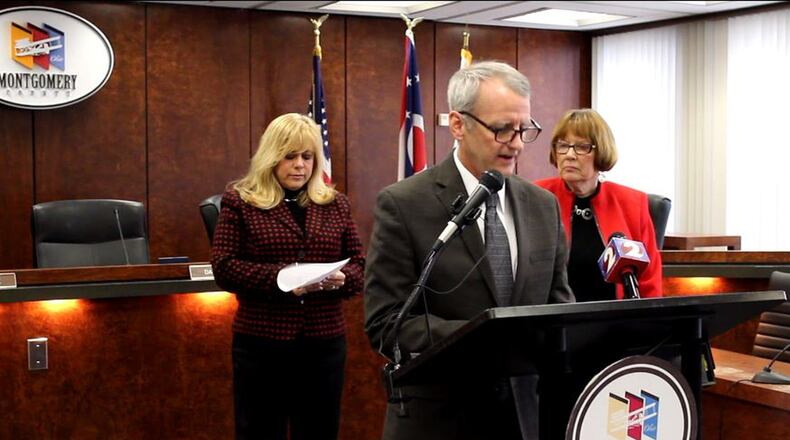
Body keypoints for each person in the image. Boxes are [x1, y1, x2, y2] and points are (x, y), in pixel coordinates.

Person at [364, 61, 574, 440]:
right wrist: (483, 337)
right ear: (458, 125)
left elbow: (559, 308)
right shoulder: (404, 203)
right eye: (501, 129)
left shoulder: (543, 205)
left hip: (527, 419)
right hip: (440, 420)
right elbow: (386, 325)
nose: (515, 142)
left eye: (524, 128)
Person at [211, 113, 365, 440]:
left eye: (307, 157)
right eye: (290, 156)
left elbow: (361, 266)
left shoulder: (335, 204)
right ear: (272, 157)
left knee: (319, 430)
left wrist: (343, 279)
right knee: (260, 431)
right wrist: (283, 279)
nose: (300, 165)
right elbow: (224, 267)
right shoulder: (241, 201)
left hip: (323, 342)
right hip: (263, 344)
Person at [535, 108, 662, 300]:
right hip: (554, 321)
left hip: (617, 322)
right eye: (563, 145)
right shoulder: (538, 197)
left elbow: (648, 280)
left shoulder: (632, 203)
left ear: (601, 151)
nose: (569, 155)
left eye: (581, 147)